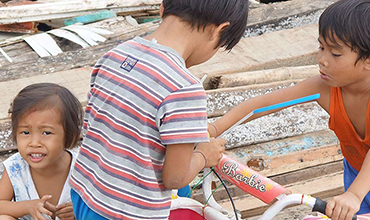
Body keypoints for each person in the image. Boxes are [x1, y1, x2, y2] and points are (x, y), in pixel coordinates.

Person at [68, 0, 249, 219]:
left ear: (162, 8)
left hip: (85, 194)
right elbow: (174, 178)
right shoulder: (184, 88)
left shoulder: (114, 55)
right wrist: (203, 155)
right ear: (219, 31)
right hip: (127, 212)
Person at [208, 0, 370, 220]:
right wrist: (213, 129)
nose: (322, 60)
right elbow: (262, 105)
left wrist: (354, 194)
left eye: (335, 54)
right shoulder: (325, 88)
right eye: (321, 47)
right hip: (357, 173)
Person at [0, 83, 83, 220]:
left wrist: (79, 210)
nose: (34, 143)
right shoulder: (15, 168)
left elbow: (106, 203)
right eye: (25, 132)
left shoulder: (82, 166)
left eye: (46, 132)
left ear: (70, 135)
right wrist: (27, 207)